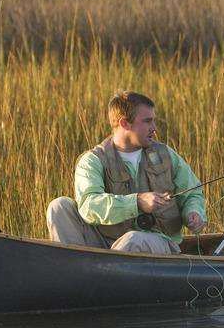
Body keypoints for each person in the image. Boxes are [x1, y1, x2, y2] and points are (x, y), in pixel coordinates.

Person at [47, 90, 206, 254]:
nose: (154, 128)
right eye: (147, 121)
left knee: (133, 240)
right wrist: (136, 202)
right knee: (59, 207)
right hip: (104, 243)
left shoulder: (166, 155)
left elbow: (193, 193)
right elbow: (89, 205)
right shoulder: (93, 160)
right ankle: (78, 271)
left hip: (159, 241)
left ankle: (101, 274)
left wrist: (194, 213)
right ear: (125, 123)